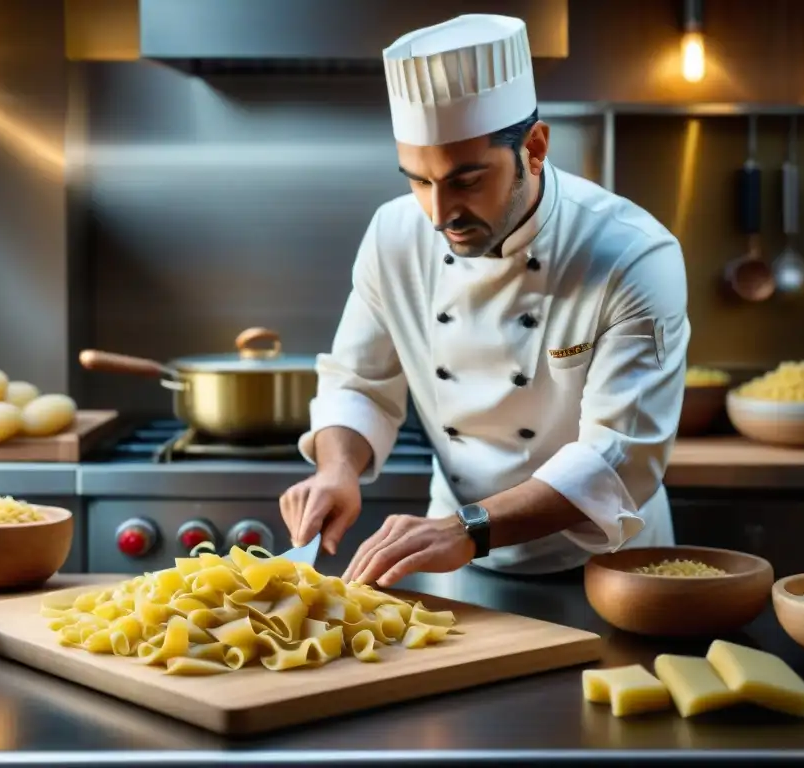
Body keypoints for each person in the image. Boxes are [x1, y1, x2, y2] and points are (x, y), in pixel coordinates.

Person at [278, 14, 689, 587]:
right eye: (418, 180)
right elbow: (357, 381)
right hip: (453, 558)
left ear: (536, 148)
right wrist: (337, 469)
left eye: (466, 180)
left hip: (612, 572)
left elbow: (616, 459)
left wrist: (465, 529)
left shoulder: (632, 255)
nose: (439, 213)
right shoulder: (393, 235)